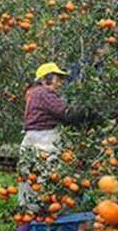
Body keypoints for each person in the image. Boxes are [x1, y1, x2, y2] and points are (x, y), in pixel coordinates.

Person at [17, 62, 86, 215]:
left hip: (31, 140)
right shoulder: (43, 93)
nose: (60, 83)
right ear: (44, 79)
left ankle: (25, 222)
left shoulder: (33, 93)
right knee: (46, 181)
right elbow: (65, 113)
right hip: (43, 142)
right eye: (57, 78)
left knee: (28, 182)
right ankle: (42, 219)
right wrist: (86, 112)